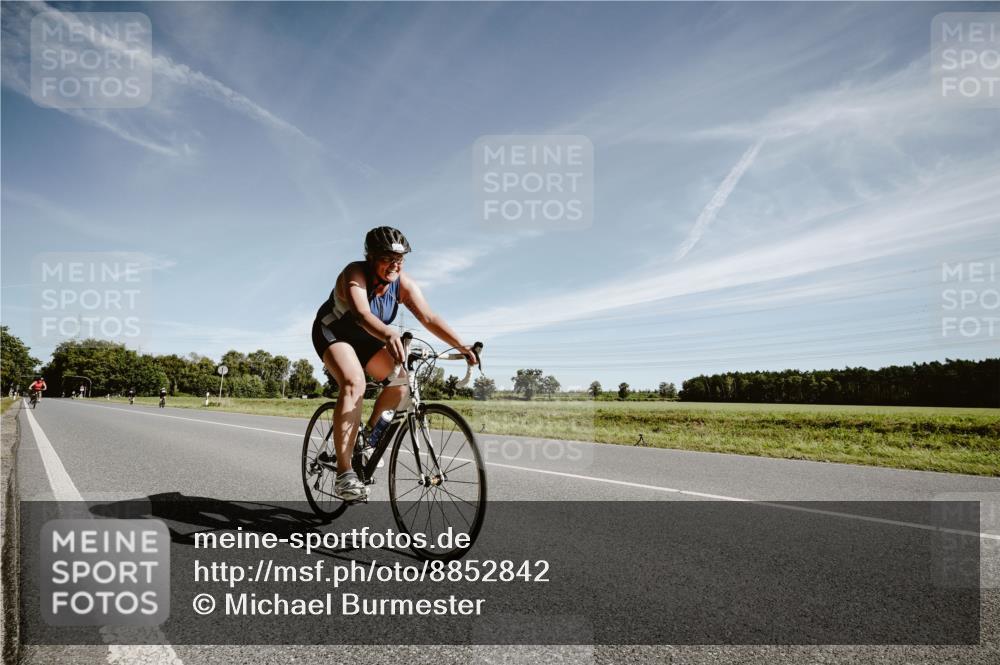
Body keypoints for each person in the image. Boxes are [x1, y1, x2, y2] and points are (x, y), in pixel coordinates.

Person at [311, 226, 477, 500]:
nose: (395, 264)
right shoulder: (355, 273)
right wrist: (389, 333)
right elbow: (363, 315)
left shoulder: (403, 284)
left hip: (368, 340)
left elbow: (430, 318)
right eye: (388, 257)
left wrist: (462, 345)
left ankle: (363, 442)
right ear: (371, 257)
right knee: (355, 382)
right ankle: (344, 474)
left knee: (400, 386)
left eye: (400, 258)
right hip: (335, 332)